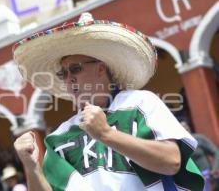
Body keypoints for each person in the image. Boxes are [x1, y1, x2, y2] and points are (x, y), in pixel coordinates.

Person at [12, 13, 204, 191]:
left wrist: (105, 134)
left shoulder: (141, 102)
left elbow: (172, 161)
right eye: (63, 73)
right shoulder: (59, 136)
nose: (69, 78)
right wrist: (31, 166)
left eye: (75, 69)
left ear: (101, 69)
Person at [179, 116, 219, 191]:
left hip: (209, 177)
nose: (186, 130)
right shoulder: (179, 145)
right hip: (193, 182)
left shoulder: (199, 139)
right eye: (183, 128)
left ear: (189, 127)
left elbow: (216, 152)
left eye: (186, 127)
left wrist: (214, 169)